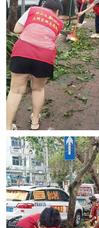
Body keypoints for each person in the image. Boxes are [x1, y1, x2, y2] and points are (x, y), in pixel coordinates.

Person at [7, 0, 64, 130]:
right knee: (38, 89)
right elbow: (51, 39)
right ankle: (35, 122)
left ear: (43, 6)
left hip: (22, 53)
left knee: (15, 91)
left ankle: (7, 127)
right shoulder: (59, 23)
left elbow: (16, 29)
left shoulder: (32, 10)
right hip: (44, 58)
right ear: (57, 12)